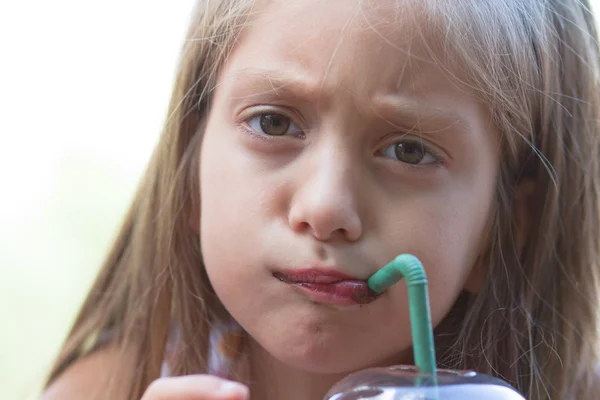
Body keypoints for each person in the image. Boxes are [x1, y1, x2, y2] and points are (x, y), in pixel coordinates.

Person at [41, 0, 600, 399]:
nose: (327, 207)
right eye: (274, 121)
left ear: (505, 228)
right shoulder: (105, 389)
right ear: (190, 177)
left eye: (408, 151)